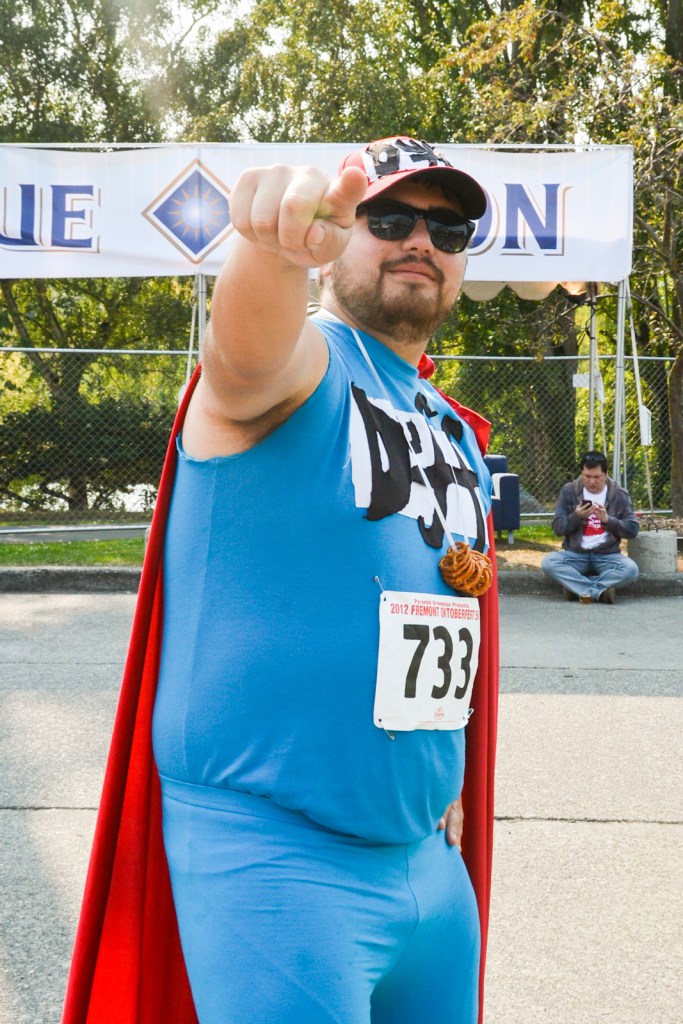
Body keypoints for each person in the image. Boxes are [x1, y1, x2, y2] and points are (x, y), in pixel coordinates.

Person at [62, 137, 500, 1024]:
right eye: (388, 219)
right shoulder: (308, 366)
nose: (421, 240)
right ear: (336, 240)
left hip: (426, 858)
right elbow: (246, 360)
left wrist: (438, 775)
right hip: (277, 861)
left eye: (447, 229)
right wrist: (268, 252)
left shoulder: (447, 422)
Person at [541, 450, 640, 604]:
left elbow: (632, 530)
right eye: (587, 476)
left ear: (605, 474)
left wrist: (607, 520)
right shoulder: (569, 491)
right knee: (549, 562)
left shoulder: (619, 494)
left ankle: (577, 589)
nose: (592, 481)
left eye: (597, 477)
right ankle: (598, 592)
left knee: (631, 569)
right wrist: (576, 516)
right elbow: (557, 528)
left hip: (607, 556)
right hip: (576, 555)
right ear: (581, 473)